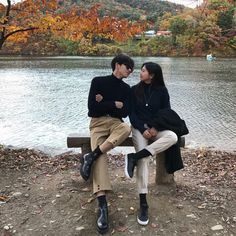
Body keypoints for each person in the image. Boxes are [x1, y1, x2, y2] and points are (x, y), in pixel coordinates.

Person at [80, 53, 134, 234]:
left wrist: (106, 102)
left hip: (116, 124)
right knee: (101, 160)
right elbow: (92, 109)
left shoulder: (127, 89)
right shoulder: (98, 81)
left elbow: (125, 111)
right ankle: (103, 206)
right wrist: (114, 104)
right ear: (118, 65)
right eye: (128, 67)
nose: (131, 71)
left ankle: (92, 155)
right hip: (98, 123)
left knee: (126, 128)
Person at [125, 62, 180, 226]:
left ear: (152, 75)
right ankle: (143, 203)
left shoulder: (162, 91)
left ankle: (134, 156)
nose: (140, 73)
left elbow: (167, 112)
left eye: (143, 71)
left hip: (157, 129)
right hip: (139, 129)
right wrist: (143, 129)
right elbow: (131, 114)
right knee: (144, 161)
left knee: (172, 137)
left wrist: (156, 128)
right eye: (141, 70)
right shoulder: (133, 90)